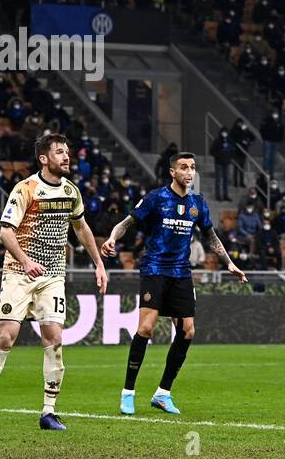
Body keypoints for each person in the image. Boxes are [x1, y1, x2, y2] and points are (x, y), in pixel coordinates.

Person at [0, 134, 109, 432]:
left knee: (54, 339)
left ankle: (48, 412)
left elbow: (81, 228)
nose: (67, 157)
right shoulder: (26, 189)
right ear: (44, 159)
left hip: (53, 275)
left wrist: (99, 263)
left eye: (67, 152)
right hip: (19, 272)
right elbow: (5, 232)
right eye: (60, 152)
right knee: (7, 336)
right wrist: (26, 260)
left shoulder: (71, 191)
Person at [102, 151, 247, 415]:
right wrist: (113, 238)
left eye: (192, 167)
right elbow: (127, 222)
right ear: (173, 172)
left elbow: (211, 236)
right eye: (184, 167)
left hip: (181, 272)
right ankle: (128, 393)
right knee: (145, 328)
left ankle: (163, 393)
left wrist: (228, 263)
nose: (189, 172)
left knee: (188, 331)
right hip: (155, 269)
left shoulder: (197, 203)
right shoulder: (157, 198)